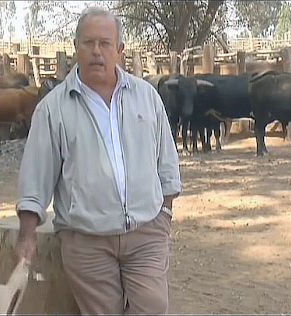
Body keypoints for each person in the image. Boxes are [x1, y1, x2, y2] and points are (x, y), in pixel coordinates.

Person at [16, 7, 181, 315]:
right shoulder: (53, 110)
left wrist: (164, 214)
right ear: (75, 48)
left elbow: (167, 164)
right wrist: (27, 238)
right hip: (86, 240)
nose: (96, 52)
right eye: (88, 43)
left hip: (145, 233)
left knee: (153, 308)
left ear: (119, 50)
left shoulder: (146, 97)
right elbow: (35, 179)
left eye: (105, 44)